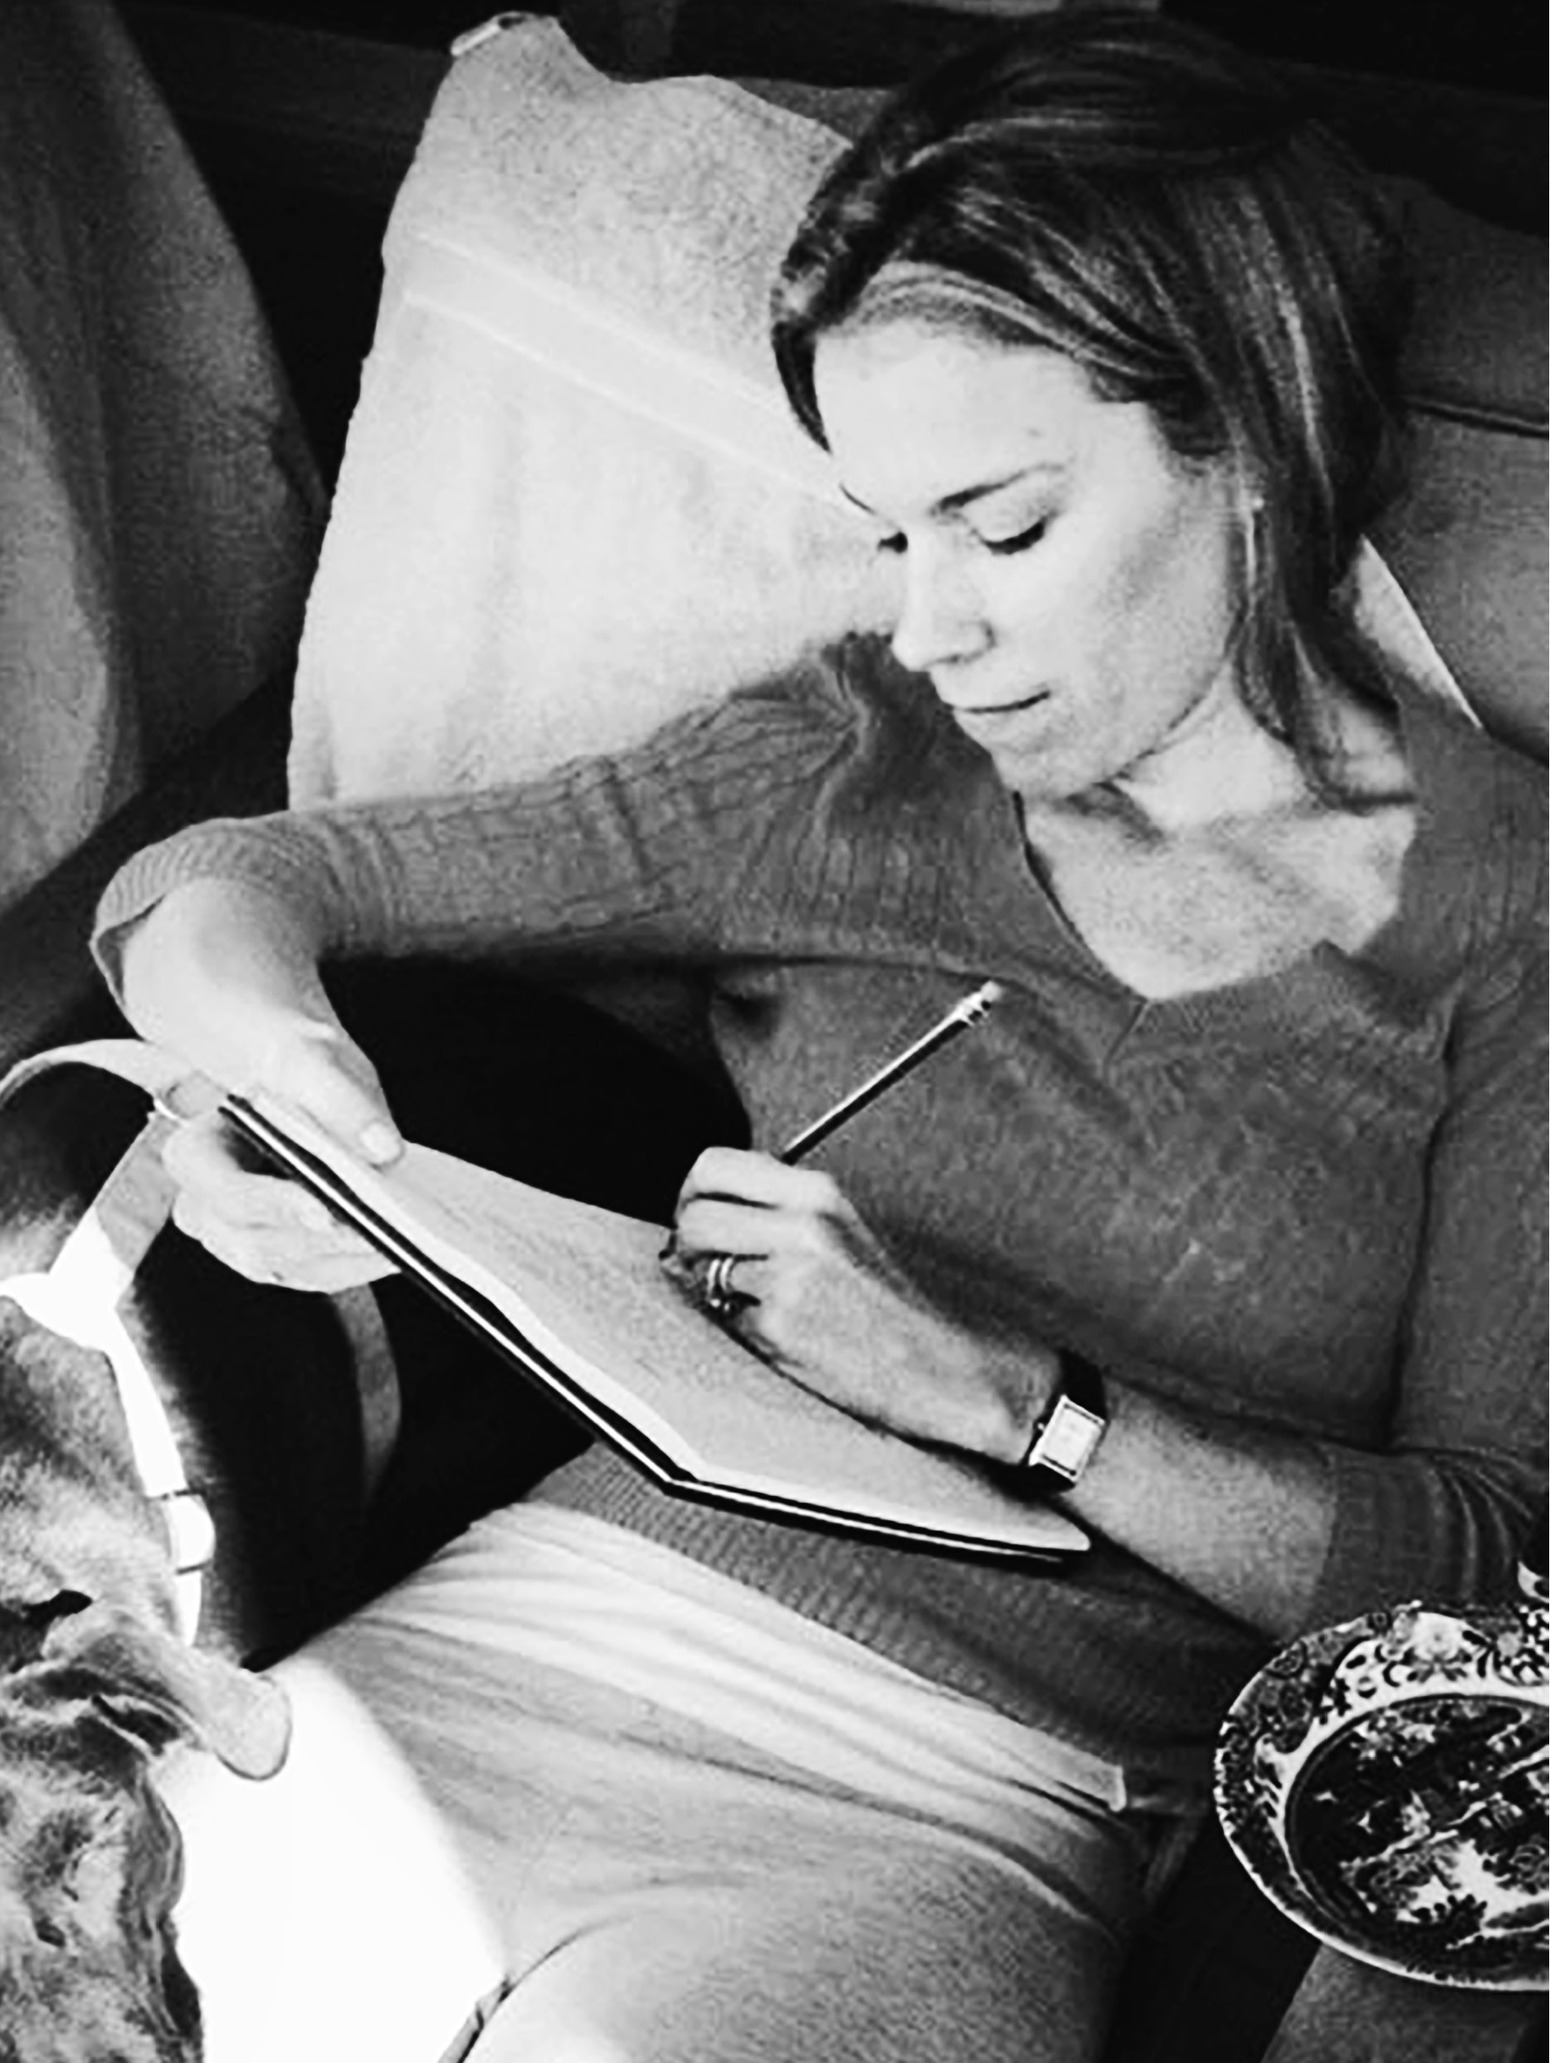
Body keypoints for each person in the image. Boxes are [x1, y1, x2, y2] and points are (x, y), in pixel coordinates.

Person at [90, 12, 1545, 2061]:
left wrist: (1018, 1402)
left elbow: (1486, 1572)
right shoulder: (856, 763)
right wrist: (284, 1073)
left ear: (1258, 436)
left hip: (963, 1810)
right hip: (509, 1645)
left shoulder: (1517, 925)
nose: (933, 624)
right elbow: (231, 876)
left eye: (1004, 526)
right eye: (892, 533)